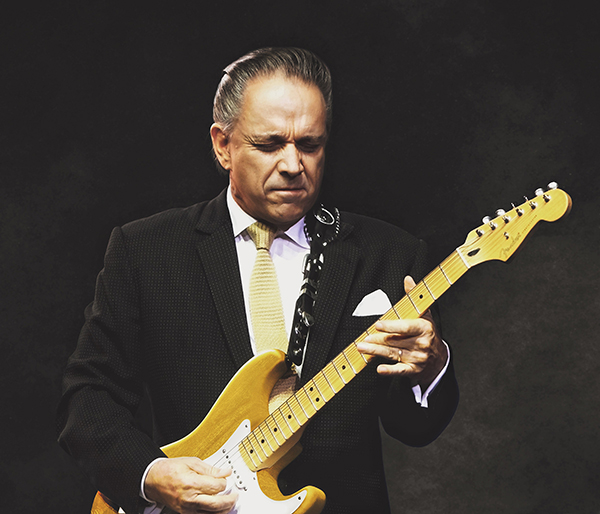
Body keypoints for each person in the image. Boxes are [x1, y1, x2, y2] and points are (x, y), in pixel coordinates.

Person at [58, 47, 459, 514]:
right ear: (222, 145)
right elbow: (89, 395)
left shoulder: (389, 254)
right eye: (270, 145)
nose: (293, 165)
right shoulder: (146, 249)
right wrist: (152, 474)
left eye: (310, 144)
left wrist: (429, 369)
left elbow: (415, 429)